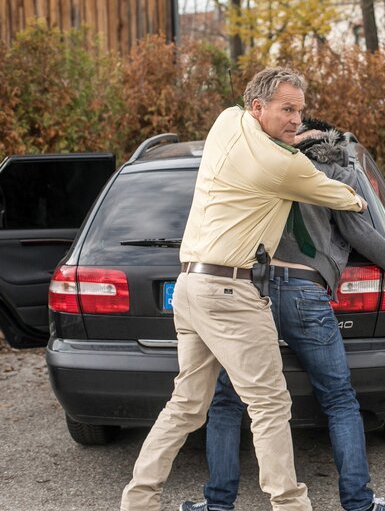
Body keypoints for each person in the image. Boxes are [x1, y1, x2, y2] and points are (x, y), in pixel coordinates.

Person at [120, 68, 369, 511]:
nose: (296, 118)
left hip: (191, 287)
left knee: (187, 404)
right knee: (270, 403)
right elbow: (344, 197)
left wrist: (283, 138)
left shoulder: (225, 122)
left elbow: (262, 139)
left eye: (299, 109)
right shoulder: (283, 166)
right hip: (232, 293)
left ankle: (138, 500)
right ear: (259, 107)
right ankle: (290, 504)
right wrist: (356, 193)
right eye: (287, 109)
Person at [179, 119, 385, 511]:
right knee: (340, 399)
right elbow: (361, 233)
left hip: (251, 288)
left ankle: (217, 504)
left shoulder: (261, 165)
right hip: (304, 294)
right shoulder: (333, 172)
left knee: (227, 399)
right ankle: (359, 503)